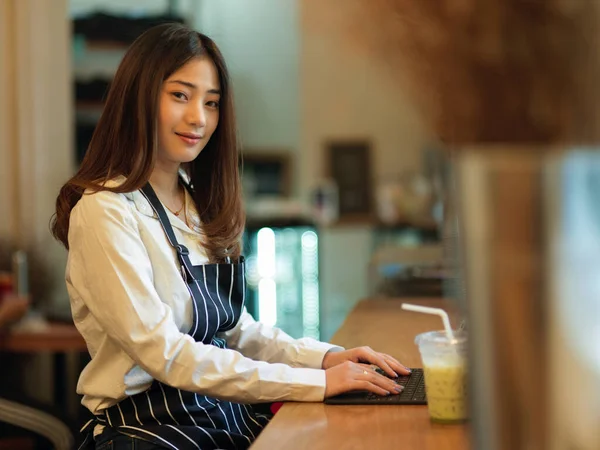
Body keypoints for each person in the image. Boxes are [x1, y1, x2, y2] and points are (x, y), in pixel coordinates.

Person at [51, 23, 409, 450]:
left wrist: (327, 357)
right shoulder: (105, 210)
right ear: (139, 97)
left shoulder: (195, 201)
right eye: (180, 95)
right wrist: (315, 382)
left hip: (218, 413)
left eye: (211, 102)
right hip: (147, 431)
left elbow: (236, 330)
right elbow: (165, 354)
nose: (198, 118)